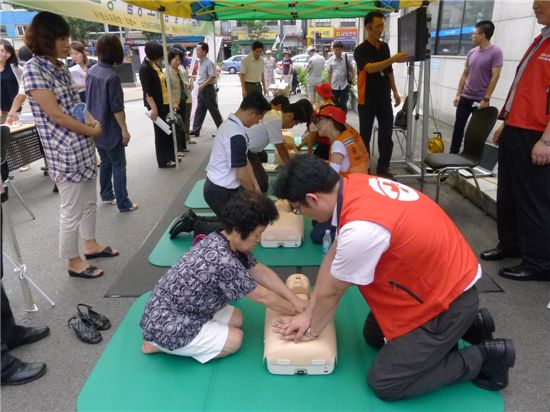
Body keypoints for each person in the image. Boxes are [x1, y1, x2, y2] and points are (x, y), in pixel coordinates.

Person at [272, 154, 516, 400]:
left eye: (297, 208)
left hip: (445, 302)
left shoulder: (361, 229)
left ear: (312, 199)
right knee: (373, 335)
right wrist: (308, 313)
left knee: (386, 383)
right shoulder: (354, 184)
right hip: (440, 283)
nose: (300, 215)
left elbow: (333, 292)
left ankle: (487, 356)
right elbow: (333, 258)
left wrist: (311, 331)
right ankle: (474, 325)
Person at [140, 190, 307, 363]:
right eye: (256, 235)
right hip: (166, 322)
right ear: (237, 229)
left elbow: (259, 270)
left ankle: (171, 340)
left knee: (238, 318)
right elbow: (262, 296)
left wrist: (294, 299)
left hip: (186, 308)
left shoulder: (225, 238)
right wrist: (302, 313)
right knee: (235, 339)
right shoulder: (223, 259)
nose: (259, 239)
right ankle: (160, 344)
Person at [23, 11, 116, 279]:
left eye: (67, 37)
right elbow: (57, 115)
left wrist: (92, 122)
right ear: (45, 38)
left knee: (89, 200)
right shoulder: (34, 68)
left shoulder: (61, 66)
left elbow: (75, 106)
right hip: (63, 151)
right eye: (61, 38)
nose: (67, 43)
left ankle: (90, 244)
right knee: (71, 208)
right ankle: (72, 261)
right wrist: (91, 129)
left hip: (83, 146)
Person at [480, 1, 550, 282]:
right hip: (517, 129)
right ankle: (511, 245)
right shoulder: (542, 38)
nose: (534, 5)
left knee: (535, 200)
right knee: (509, 194)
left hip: (537, 133)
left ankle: (539, 262)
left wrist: (547, 141)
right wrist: (507, 123)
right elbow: (525, 87)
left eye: (541, 0)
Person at [86, 34, 138, 213]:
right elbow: (117, 108)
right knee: (118, 165)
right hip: (110, 128)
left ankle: (107, 195)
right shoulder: (112, 76)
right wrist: (125, 130)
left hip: (95, 127)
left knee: (106, 162)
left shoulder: (91, 71)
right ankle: (124, 203)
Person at [354, 11, 408, 179]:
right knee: (365, 136)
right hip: (367, 99)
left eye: (382, 26)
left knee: (386, 134)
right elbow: (370, 68)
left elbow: (388, 71)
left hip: (384, 98)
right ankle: (364, 167)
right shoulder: (360, 50)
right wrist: (392, 59)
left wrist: (395, 92)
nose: (380, 30)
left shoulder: (384, 47)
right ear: (368, 27)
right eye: (377, 26)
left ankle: (383, 167)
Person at [203, 93, 271, 216]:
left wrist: (256, 188)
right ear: (252, 113)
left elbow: (245, 161)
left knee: (239, 223)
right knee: (237, 229)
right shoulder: (236, 135)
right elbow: (241, 175)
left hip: (222, 185)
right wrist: (255, 197)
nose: (258, 122)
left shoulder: (231, 124)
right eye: (259, 118)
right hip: (219, 190)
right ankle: (194, 223)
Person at [450, 21, 503, 154]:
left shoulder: (496, 52)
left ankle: (469, 157)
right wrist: (458, 94)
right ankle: (452, 155)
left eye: (474, 34)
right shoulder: (472, 52)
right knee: (458, 128)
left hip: (481, 101)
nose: (472, 37)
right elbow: (464, 75)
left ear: (483, 35)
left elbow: (495, 76)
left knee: (476, 132)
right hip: (465, 97)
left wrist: (486, 98)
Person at [247, 98, 313, 192]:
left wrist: (284, 144)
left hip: (252, 151)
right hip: (245, 152)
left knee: (262, 167)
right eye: (295, 123)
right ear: (290, 116)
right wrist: (291, 168)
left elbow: (280, 141)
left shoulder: (275, 115)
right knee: (262, 185)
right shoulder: (275, 119)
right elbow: (281, 149)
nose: (292, 127)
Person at [139, 40, 177, 168]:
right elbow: (147, 91)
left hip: (165, 103)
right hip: (156, 105)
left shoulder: (155, 65)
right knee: (160, 132)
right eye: (159, 55)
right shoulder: (144, 68)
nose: (161, 58)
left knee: (168, 130)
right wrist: (154, 109)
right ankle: (163, 161)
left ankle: (171, 156)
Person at [313, 105, 369, 176]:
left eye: (319, 119)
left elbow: (331, 177)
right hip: (360, 182)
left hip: (351, 185)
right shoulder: (344, 137)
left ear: (330, 122)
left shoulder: (338, 145)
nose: (316, 123)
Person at [189, 42, 224, 138]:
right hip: (202, 89)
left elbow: (212, 77)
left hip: (208, 90)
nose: (197, 52)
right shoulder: (201, 62)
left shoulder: (209, 63)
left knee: (214, 111)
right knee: (200, 110)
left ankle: (222, 130)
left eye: (199, 50)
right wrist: (194, 77)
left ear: (204, 51)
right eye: (197, 50)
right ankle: (196, 130)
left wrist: (202, 85)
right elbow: (204, 76)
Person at [165, 48, 187, 157]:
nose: (178, 62)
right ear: (170, 58)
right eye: (176, 60)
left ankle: (183, 146)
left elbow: (182, 82)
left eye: (180, 60)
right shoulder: (167, 71)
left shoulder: (179, 69)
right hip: (175, 102)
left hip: (182, 99)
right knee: (177, 125)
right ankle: (178, 149)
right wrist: (173, 102)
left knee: (182, 123)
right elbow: (168, 90)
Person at [172, 44, 196, 145]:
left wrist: (189, 77)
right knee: (183, 119)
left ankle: (186, 138)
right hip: (181, 98)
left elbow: (184, 77)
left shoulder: (180, 66)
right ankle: (184, 139)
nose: (182, 58)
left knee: (186, 117)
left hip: (186, 95)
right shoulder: (171, 69)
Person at [326, 41, 355, 113]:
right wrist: (329, 85)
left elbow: (351, 68)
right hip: (334, 86)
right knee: (334, 104)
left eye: (339, 50)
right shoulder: (330, 60)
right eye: (335, 50)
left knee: (343, 104)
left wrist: (354, 78)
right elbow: (329, 73)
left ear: (342, 49)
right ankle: (335, 120)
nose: (337, 52)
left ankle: (342, 120)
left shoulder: (346, 57)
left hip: (344, 85)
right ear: (333, 50)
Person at [0, 39, 22, 125]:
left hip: (14, 110)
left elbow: (28, 80)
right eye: (1, 50)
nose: (4, 54)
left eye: (7, 52)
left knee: (15, 135)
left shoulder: (15, 67)